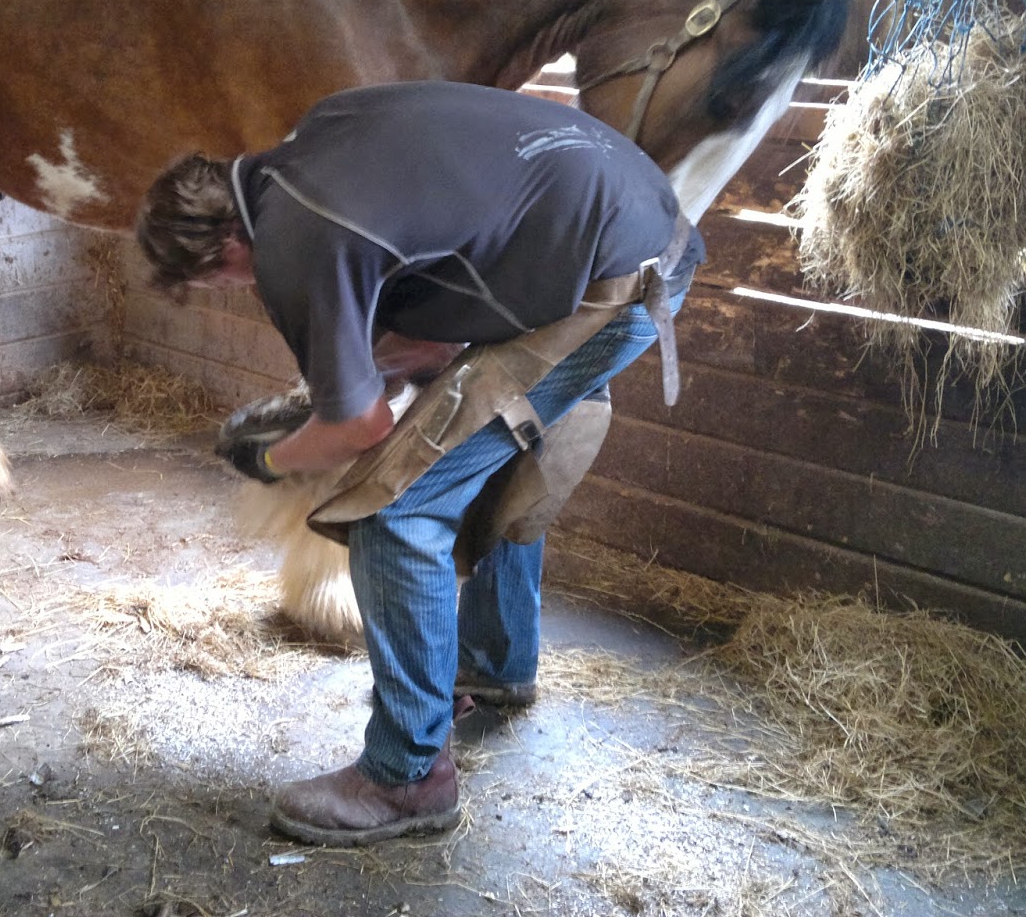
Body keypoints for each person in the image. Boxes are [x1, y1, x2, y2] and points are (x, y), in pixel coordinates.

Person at [135, 80, 701, 847]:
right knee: (487, 453)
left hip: (611, 280)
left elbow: (360, 429)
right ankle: (491, 661)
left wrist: (273, 458)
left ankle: (407, 778)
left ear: (218, 254)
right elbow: (435, 345)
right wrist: (355, 387)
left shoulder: (293, 245)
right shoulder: (316, 143)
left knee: (396, 509)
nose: (235, 289)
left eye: (217, 283)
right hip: (639, 227)